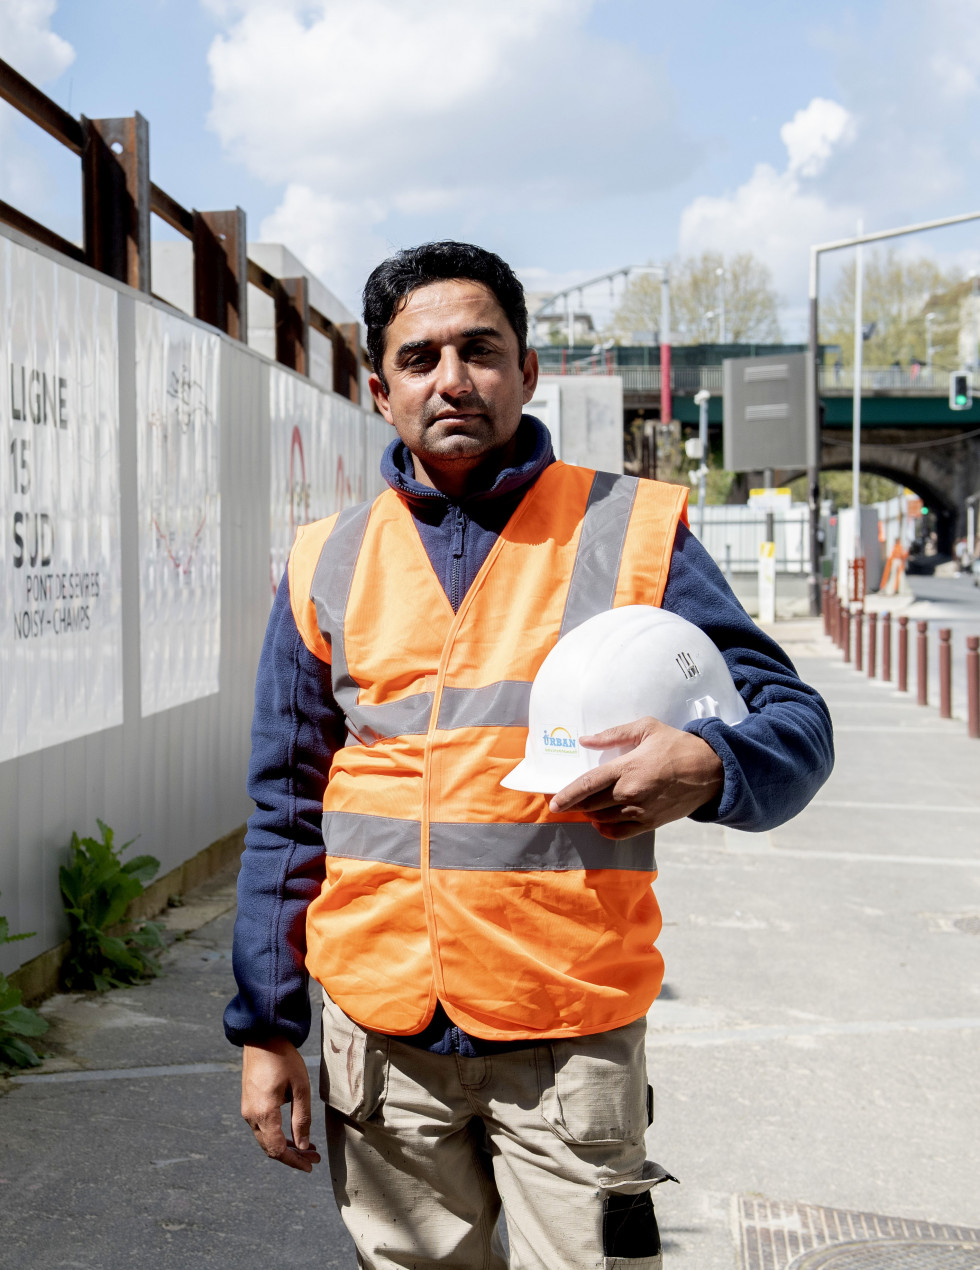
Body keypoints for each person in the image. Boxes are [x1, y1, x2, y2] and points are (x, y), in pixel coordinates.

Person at [225, 241, 834, 1270]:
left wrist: (705, 764)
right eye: (419, 359)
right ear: (380, 390)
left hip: (565, 1038)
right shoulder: (324, 559)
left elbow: (792, 722)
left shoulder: (628, 530)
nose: (451, 379)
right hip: (381, 1043)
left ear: (527, 370)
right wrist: (264, 1027)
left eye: (480, 349)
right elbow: (286, 806)